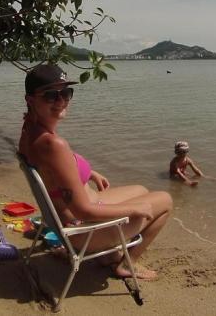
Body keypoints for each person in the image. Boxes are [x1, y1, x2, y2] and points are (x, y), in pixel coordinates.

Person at [17, 64, 172, 280]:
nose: (61, 100)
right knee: (165, 200)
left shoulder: (30, 132)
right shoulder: (54, 145)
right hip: (82, 230)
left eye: (66, 93)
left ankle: (108, 256)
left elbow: (55, 170)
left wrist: (88, 173)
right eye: (50, 95)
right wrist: (135, 210)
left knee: (141, 189)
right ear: (31, 100)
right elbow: (83, 211)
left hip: (67, 220)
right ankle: (127, 265)